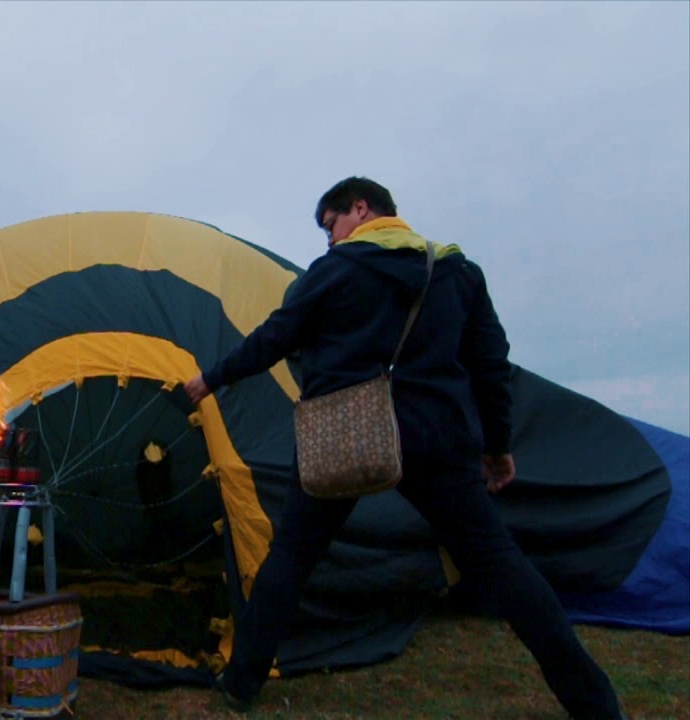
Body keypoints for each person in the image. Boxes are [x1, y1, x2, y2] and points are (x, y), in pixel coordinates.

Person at [185, 178, 624, 719]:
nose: (330, 239)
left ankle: (241, 684)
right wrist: (498, 447)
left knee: (292, 557)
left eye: (332, 224)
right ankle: (597, 705)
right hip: (437, 436)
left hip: (345, 434)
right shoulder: (456, 271)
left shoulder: (336, 270)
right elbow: (491, 364)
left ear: (361, 207)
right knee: (501, 564)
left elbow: (275, 337)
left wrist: (213, 378)